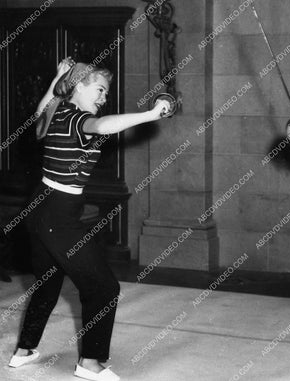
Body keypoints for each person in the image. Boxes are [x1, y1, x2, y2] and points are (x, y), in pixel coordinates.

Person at [8, 58, 172, 381]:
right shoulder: (76, 119)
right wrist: (151, 114)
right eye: (99, 90)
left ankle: (24, 351)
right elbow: (102, 126)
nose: (103, 98)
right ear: (79, 87)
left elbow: (38, 116)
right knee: (103, 287)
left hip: (41, 209)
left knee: (47, 283)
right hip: (57, 215)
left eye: (105, 93)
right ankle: (90, 362)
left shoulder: (56, 112)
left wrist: (57, 77)